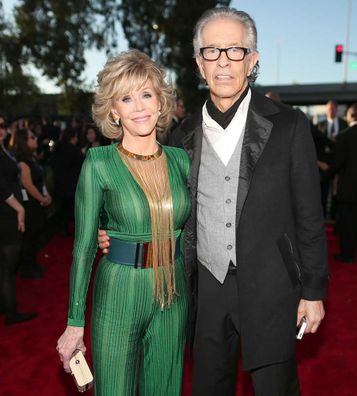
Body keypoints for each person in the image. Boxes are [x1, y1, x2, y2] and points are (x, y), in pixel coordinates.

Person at [99, 7, 328, 396]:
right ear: (198, 65)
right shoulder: (178, 137)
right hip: (204, 288)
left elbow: (310, 215)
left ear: (252, 61)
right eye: (211, 51)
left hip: (273, 286)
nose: (223, 61)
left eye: (235, 51)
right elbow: (159, 206)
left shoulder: (290, 126)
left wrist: (314, 290)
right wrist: (118, 236)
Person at [56, 49, 191, 396]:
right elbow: (84, 247)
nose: (140, 106)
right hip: (118, 291)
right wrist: (74, 323)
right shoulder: (98, 163)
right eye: (126, 98)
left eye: (147, 94)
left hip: (173, 292)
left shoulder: (181, 161)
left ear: (161, 102)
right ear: (113, 111)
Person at [318, 103, 357, 263]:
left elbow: (338, 163)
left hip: (348, 189)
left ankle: (348, 255)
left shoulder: (343, 136)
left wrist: (323, 176)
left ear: (350, 116)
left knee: (348, 224)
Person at [0, 122, 37, 324]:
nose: (1, 129)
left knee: (5, 266)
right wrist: (20, 208)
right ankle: (11, 314)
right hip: (6, 213)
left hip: (8, 211)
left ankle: (5, 306)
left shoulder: (4, 149)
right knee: (8, 267)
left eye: (3, 125)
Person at [12, 128, 52, 278]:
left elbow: (40, 182)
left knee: (35, 234)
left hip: (37, 203)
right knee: (29, 236)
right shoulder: (22, 163)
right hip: (29, 205)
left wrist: (46, 195)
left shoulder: (32, 159)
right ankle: (27, 267)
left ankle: (31, 264)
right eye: (32, 137)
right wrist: (43, 199)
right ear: (24, 141)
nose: (35, 139)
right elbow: (28, 186)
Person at [50, 128, 84, 235]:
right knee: (72, 209)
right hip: (72, 185)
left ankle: (63, 229)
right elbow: (83, 164)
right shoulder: (74, 150)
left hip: (59, 184)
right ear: (72, 138)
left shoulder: (57, 148)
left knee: (62, 209)